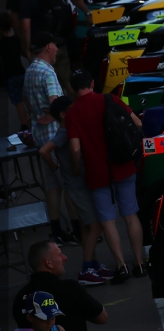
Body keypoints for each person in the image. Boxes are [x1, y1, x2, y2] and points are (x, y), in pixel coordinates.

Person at [65, 70, 145, 282]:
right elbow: (137, 123)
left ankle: (121, 266)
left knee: (108, 221)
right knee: (131, 216)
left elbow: (74, 148)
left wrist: (76, 168)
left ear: (72, 88)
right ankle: (139, 263)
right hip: (124, 166)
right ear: (92, 83)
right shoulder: (110, 99)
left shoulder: (72, 113)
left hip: (97, 173)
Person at [38, 98, 111, 285]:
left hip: (79, 185)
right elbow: (45, 150)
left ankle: (93, 263)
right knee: (96, 225)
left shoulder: (68, 129)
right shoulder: (64, 132)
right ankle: (86, 268)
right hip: (77, 186)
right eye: (71, 109)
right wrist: (55, 168)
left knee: (87, 226)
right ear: (63, 115)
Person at [13, 241, 108, 331]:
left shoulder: (19, 300)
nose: (65, 257)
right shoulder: (70, 288)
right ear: (48, 263)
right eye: (59, 254)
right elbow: (102, 318)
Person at [24, 33, 74, 246]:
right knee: (69, 185)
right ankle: (78, 229)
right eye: (55, 46)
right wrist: (54, 112)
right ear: (47, 47)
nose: (57, 50)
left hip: (40, 136)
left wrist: (43, 111)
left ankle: (56, 231)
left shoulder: (30, 71)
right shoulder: (48, 72)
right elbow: (57, 104)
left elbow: (29, 101)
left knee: (53, 187)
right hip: (56, 137)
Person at [15, 0, 74, 90]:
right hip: (59, 43)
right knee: (68, 82)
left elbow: (26, 27)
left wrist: (26, 49)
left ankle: (57, 108)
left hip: (39, 49)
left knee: (47, 86)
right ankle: (76, 107)